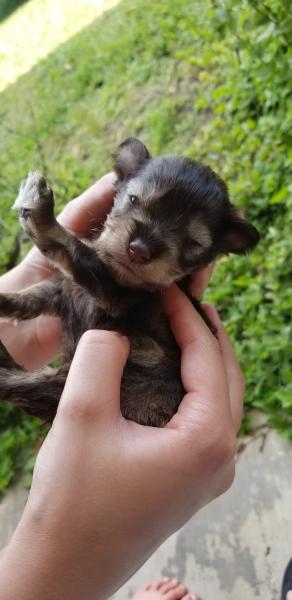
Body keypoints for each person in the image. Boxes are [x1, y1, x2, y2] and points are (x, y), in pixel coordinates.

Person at [0, 174, 244, 599]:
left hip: (142, 393)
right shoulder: (96, 266)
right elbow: (62, 290)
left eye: (189, 245)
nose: (143, 246)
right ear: (121, 186)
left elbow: (85, 278)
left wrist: (46, 229)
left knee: (58, 386)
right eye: (134, 201)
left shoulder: (133, 288)